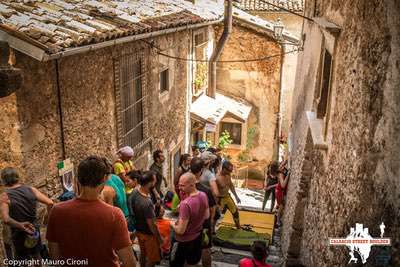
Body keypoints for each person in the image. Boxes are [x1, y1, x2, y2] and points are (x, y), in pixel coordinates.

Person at [46, 156, 136, 267]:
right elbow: (129, 262)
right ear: (104, 179)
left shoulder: (57, 211)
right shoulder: (114, 215)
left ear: (77, 179)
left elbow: (54, 257)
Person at [0, 167, 54, 262]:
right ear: (17, 177)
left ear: (3, 180)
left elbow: (6, 219)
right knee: (37, 256)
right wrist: (48, 219)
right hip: (34, 230)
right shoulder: (31, 189)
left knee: (22, 260)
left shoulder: (5, 196)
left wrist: (20, 225)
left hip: (19, 233)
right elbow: (50, 203)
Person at [170, 173, 209, 267]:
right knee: (191, 263)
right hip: (197, 237)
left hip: (182, 241)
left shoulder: (186, 204)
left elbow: (180, 230)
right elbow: (206, 216)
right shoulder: (203, 195)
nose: (179, 188)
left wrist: (171, 223)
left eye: (182, 185)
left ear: (192, 184)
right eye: (179, 185)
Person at [129, 171, 162, 267]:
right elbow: (152, 225)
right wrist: (159, 239)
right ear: (150, 183)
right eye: (154, 181)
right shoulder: (147, 203)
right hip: (149, 234)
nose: (155, 183)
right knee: (152, 259)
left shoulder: (135, 191)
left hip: (139, 231)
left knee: (143, 255)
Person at [190, 157, 216, 267]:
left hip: (189, 223)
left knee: (189, 249)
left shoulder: (185, 187)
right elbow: (212, 209)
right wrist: (210, 222)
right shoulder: (206, 191)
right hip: (204, 225)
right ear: (201, 171)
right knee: (205, 249)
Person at [216, 160, 241, 229]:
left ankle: (238, 226)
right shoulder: (217, 178)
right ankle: (212, 230)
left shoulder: (228, 175)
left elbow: (231, 185)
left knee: (235, 212)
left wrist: (236, 196)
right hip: (220, 199)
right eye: (229, 171)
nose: (230, 172)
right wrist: (216, 203)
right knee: (217, 216)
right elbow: (214, 192)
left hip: (227, 197)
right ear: (224, 169)